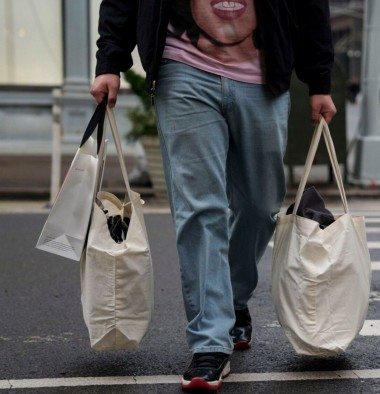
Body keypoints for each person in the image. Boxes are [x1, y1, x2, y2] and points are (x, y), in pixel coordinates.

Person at [90, 0, 336, 391]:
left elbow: (312, 6)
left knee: (260, 206)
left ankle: (234, 298)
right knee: (200, 210)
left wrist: (319, 81)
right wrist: (110, 61)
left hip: (263, 76)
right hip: (182, 71)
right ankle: (210, 342)